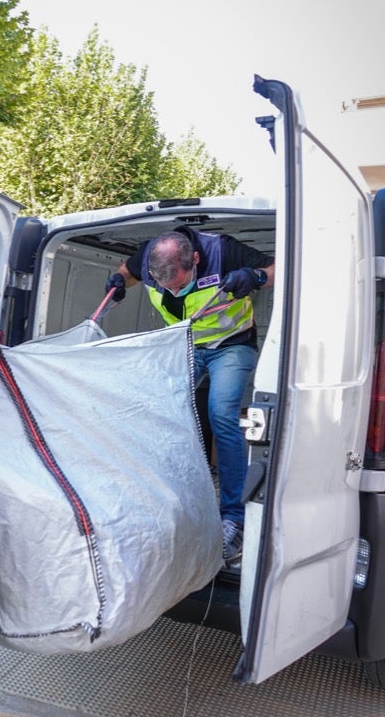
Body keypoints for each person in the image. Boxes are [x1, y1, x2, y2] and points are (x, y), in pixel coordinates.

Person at [105, 227, 274, 567]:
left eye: (180, 284)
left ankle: (234, 519)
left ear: (195, 259)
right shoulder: (150, 253)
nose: (175, 291)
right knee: (158, 409)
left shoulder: (224, 251)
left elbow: (278, 271)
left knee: (221, 414)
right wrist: (120, 282)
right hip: (184, 345)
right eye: (166, 286)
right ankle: (161, 507)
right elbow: (127, 272)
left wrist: (255, 276)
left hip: (231, 344)